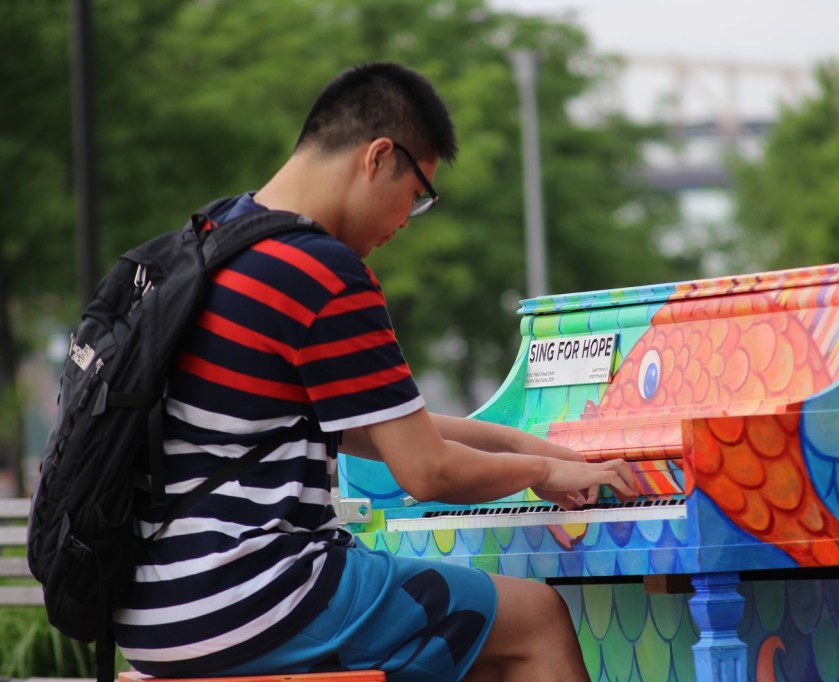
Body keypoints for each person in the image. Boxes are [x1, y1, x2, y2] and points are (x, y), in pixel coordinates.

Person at [113, 62, 638, 682]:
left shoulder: (214, 242)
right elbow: (427, 472)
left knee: (466, 644)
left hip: (149, 607)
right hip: (252, 593)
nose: (406, 220)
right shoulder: (321, 271)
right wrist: (544, 472)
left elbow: (374, 430)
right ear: (379, 156)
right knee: (536, 619)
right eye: (416, 195)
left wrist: (519, 444)